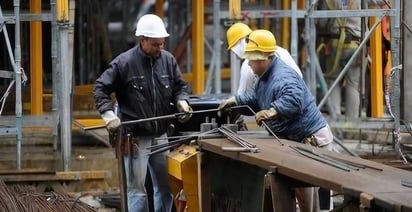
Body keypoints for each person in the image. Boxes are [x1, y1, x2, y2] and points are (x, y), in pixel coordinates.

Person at [218, 29, 334, 212]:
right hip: (296, 141)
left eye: (251, 60)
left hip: (312, 141)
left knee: (310, 204)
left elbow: (294, 99)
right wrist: (236, 101)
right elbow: (256, 99)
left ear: (262, 59)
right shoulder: (264, 78)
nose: (248, 64)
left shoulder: (282, 76)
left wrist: (274, 111)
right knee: (300, 196)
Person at [93, 14, 192, 212]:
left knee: (165, 188)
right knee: (136, 190)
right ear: (143, 40)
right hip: (135, 138)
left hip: (161, 136)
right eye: (155, 44)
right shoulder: (124, 63)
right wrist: (108, 115)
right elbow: (100, 88)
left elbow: (180, 86)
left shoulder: (168, 61)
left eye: (162, 44)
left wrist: (182, 101)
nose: (159, 48)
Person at [226, 22, 303, 95]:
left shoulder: (249, 65)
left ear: (240, 44)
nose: (236, 57)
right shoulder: (282, 51)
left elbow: (243, 96)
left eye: (234, 51)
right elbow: (299, 77)